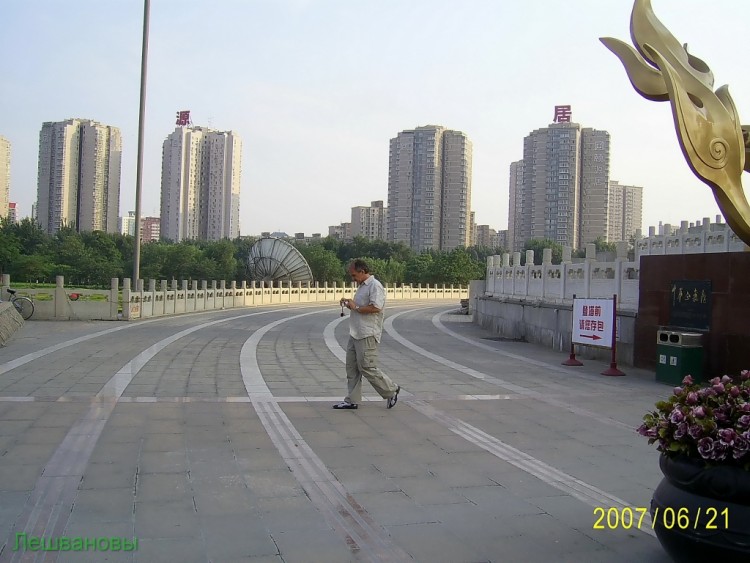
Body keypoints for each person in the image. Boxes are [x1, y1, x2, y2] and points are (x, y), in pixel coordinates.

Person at [333, 259, 400, 410]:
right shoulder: (362, 286)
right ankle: (352, 400)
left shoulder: (375, 286)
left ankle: (391, 390)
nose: (353, 279)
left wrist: (355, 306)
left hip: (367, 333)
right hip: (355, 332)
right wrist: (349, 303)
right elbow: (359, 307)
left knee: (367, 367)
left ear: (362, 272)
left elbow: (376, 307)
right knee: (352, 368)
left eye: (354, 275)